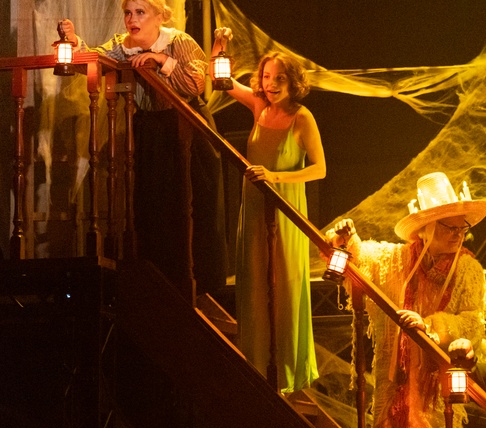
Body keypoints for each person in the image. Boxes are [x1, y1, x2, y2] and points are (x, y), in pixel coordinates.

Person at [326, 172, 486, 428]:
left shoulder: (468, 269)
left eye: (462, 228)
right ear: (426, 228)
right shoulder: (399, 259)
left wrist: (430, 325)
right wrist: (346, 239)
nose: (458, 235)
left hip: (433, 380)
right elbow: (364, 257)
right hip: (397, 376)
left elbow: (472, 321)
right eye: (450, 227)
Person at [59, 1, 228, 299]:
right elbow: (95, 59)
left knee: (194, 204)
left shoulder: (178, 41)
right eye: (128, 13)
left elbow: (194, 84)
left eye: (140, 12)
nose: (132, 19)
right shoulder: (122, 46)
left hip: (188, 126)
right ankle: (160, 281)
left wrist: (161, 59)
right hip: (151, 129)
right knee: (153, 205)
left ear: (159, 17)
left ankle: (201, 285)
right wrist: (74, 42)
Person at [211, 28, 325, 393]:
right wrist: (219, 47)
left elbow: (320, 169)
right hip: (254, 208)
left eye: (279, 78)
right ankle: (256, 365)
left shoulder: (302, 117)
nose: (271, 84)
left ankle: (287, 371)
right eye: (266, 77)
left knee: (284, 287)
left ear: (292, 82)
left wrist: (276, 177)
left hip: (285, 210)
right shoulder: (260, 107)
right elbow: (221, 81)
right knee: (255, 284)